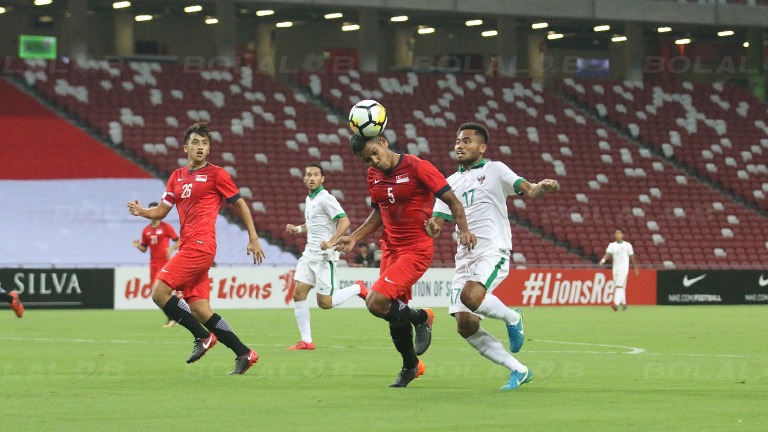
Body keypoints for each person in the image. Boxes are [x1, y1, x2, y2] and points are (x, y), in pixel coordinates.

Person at [334, 133, 476, 388]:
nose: (374, 160)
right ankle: (411, 367)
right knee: (393, 315)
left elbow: (452, 200)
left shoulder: (417, 166)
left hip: (416, 249)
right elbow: (379, 212)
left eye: (375, 152)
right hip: (390, 248)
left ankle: (422, 317)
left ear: (384, 142)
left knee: (376, 302)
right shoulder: (373, 175)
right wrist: (354, 237)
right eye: (367, 159)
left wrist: (463, 229)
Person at [425, 122, 560, 390]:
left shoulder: (495, 170)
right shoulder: (448, 183)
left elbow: (529, 190)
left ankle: (513, 317)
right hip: (464, 258)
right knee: (465, 325)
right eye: (457, 141)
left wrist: (543, 186)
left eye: (467, 141)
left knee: (471, 296)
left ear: (482, 147)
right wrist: (430, 227)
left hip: (492, 249)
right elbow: (437, 224)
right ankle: (518, 370)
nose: (460, 145)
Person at [127, 122, 263, 375]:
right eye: (196, 143)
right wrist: (143, 212)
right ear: (185, 147)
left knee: (159, 293)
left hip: (201, 246)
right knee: (201, 310)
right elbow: (162, 210)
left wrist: (253, 238)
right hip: (189, 245)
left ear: (209, 149)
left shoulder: (217, 174)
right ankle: (244, 353)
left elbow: (240, 204)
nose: (201, 147)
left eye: (205, 143)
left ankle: (202, 337)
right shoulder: (176, 177)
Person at [284, 162, 368, 351]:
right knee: (298, 294)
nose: (312, 178)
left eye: (315, 175)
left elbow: (344, 221)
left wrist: (331, 242)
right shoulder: (310, 199)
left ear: (322, 179)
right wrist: (297, 229)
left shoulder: (325, 198)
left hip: (324, 258)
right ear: (304, 178)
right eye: (309, 175)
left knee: (325, 303)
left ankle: (357, 287)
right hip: (309, 255)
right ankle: (306, 341)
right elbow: (312, 223)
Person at [132, 202, 180, 328]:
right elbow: (144, 248)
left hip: (165, 264)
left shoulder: (166, 227)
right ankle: (172, 317)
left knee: (159, 292)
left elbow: (179, 240)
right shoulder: (146, 230)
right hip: (153, 264)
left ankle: (173, 318)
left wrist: (171, 249)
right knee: (155, 294)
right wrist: (138, 246)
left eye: (155, 210)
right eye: (151, 210)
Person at [599, 228, 639, 311]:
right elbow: (608, 254)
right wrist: (603, 260)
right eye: (616, 233)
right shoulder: (612, 245)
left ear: (623, 235)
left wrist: (635, 268)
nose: (618, 235)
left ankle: (616, 304)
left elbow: (632, 258)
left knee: (619, 286)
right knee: (621, 287)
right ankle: (624, 304)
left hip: (624, 269)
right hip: (615, 269)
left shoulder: (627, 245)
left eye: (619, 233)